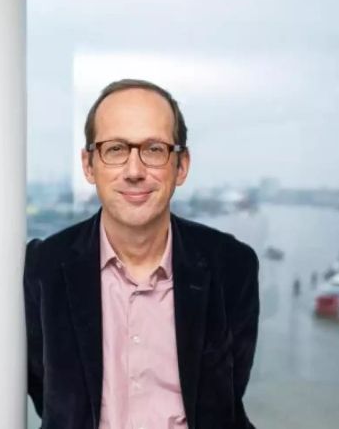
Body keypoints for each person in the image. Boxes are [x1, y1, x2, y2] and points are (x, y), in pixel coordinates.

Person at [23, 79, 260, 429]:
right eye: (116, 149)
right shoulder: (45, 267)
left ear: (181, 166)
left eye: (153, 149)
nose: (134, 172)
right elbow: (47, 394)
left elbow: (227, 398)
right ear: (89, 165)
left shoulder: (232, 266)